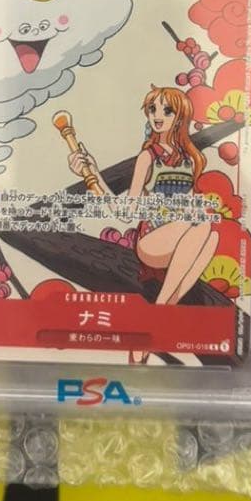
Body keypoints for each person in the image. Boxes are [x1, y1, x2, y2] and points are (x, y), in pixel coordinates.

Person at [68, 85, 218, 363]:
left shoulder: (191, 159)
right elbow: (126, 212)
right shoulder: (148, 157)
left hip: (183, 239)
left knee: (210, 234)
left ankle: (155, 325)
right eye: (153, 109)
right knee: (201, 225)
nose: (157, 116)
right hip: (152, 241)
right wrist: (94, 176)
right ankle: (158, 313)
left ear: (180, 116)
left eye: (167, 110)